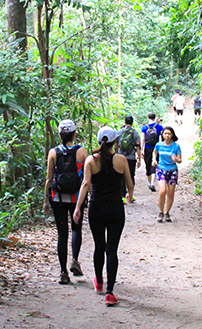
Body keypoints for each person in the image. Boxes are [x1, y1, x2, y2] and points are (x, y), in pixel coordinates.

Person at [73, 126, 134, 307]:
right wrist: (129, 194)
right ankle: (110, 292)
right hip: (115, 209)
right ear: (115, 142)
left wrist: (78, 208)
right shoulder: (121, 160)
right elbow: (130, 183)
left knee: (99, 246)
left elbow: (85, 184)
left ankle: (99, 281)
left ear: (99, 142)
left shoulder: (91, 161)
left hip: (96, 208)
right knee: (112, 249)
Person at [43, 119, 88, 285]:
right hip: (77, 199)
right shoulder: (82, 152)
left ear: (60, 134)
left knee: (62, 233)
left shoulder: (53, 153)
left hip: (58, 198)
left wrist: (45, 202)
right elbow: (87, 178)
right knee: (76, 229)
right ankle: (75, 260)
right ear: (74, 133)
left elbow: (49, 179)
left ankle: (63, 272)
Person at [153, 126, 182, 223]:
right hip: (161, 169)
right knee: (162, 191)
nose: (167, 136)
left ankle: (167, 212)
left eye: (169, 134)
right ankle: (160, 211)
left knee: (170, 193)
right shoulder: (159, 145)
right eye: (165, 134)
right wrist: (154, 160)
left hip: (172, 170)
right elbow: (155, 152)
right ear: (162, 135)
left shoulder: (176, 146)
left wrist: (175, 159)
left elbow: (180, 160)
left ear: (172, 135)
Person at [116, 115, 141, 203]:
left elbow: (115, 144)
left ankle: (122, 196)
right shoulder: (135, 133)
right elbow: (138, 146)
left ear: (125, 121)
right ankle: (131, 195)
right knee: (131, 176)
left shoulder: (119, 131)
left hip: (121, 157)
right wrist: (139, 159)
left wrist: (115, 154)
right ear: (132, 122)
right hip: (131, 158)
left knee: (121, 176)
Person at [141, 113, 163, 192]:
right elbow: (160, 139)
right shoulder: (159, 127)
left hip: (147, 148)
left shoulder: (144, 127)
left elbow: (143, 139)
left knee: (148, 165)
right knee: (154, 164)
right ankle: (153, 182)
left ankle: (149, 182)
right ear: (155, 118)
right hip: (156, 148)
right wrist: (160, 148)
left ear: (148, 118)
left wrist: (141, 149)